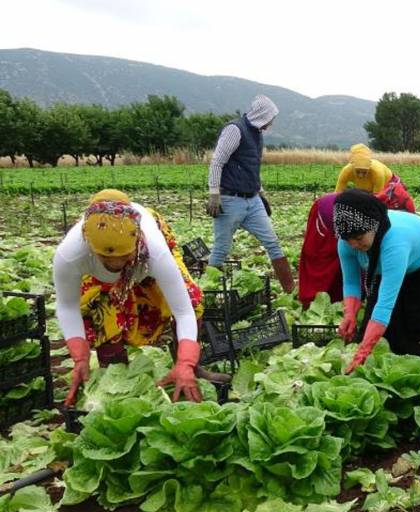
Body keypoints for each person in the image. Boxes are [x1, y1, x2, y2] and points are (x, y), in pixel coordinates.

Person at [53, 189, 205, 404]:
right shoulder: (70, 254)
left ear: (138, 241)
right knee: (100, 311)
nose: (116, 265)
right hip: (101, 275)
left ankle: (189, 370)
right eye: (107, 259)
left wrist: (186, 362)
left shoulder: (155, 251)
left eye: (124, 257)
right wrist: (80, 357)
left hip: (144, 262)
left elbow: (184, 311)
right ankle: (114, 377)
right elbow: (67, 307)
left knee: (192, 298)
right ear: (88, 244)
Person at [333, 190, 420, 372]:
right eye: (349, 241)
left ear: (374, 226)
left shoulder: (395, 242)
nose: (354, 245)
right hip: (391, 262)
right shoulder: (347, 241)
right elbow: (351, 283)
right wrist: (349, 314)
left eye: (359, 238)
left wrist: (363, 351)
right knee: (380, 329)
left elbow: (385, 305)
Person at [205, 94, 295, 293]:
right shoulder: (234, 130)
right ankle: (206, 296)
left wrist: (262, 194)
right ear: (263, 115)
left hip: (252, 200)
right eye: (271, 118)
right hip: (230, 199)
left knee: (272, 243)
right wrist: (214, 193)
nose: (271, 122)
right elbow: (217, 162)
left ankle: (291, 292)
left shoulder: (257, 134)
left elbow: (251, 167)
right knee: (221, 249)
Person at [335, 144, 415, 213]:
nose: (361, 175)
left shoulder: (377, 172)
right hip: (366, 189)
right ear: (352, 166)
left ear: (369, 168)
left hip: (388, 187)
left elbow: (377, 199)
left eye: (364, 172)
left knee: (385, 210)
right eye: (358, 171)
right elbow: (337, 193)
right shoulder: (346, 171)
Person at [296, 192, 343, 307]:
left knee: (341, 257)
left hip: (342, 216)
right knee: (320, 254)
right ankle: (312, 300)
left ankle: (338, 297)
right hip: (326, 212)